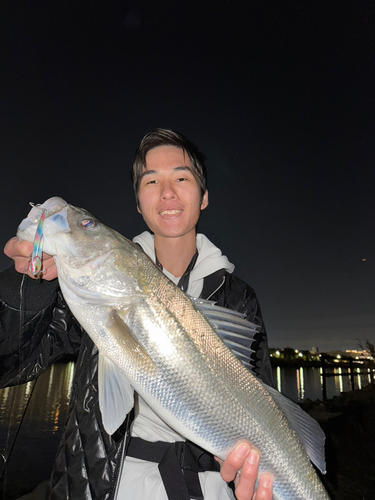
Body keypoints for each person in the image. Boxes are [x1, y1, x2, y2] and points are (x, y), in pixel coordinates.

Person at [1, 129, 274, 500]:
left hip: (211, 488)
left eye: (181, 177)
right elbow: (10, 361)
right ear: (138, 204)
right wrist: (29, 287)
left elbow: (264, 400)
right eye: (151, 181)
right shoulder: (89, 289)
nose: (167, 192)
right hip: (107, 484)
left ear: (204, 197)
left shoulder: (239, 297)